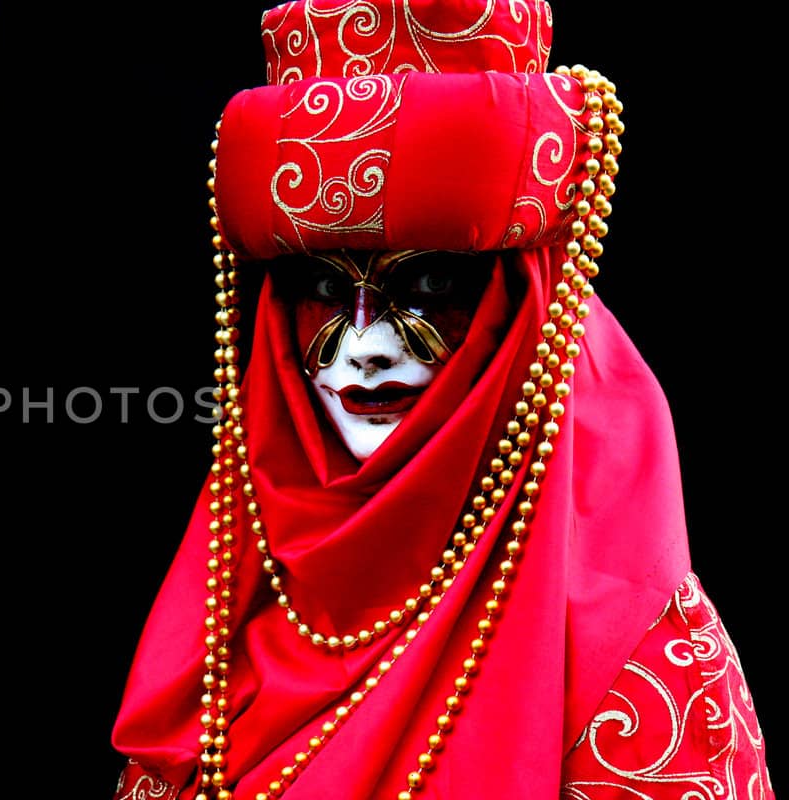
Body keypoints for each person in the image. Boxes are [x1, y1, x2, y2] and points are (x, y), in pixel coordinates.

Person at [111, 1, 773, 799]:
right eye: (323, 286)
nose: (365, 345)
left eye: (427, 285)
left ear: (522, 303)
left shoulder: (640, 674)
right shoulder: (233, 612)